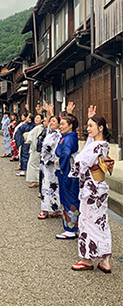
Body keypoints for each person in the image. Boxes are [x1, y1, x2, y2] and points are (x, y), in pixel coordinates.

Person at [70, 107, 114, 272]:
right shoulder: (101, 144)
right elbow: (88, 149)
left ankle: (87, 259)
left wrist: (75, 163)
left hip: (91, 190)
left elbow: (81, 162)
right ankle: (106, 260)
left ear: (100, 128)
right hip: (99, 188)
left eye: (91, 125)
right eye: (87, 125)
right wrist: (90, 117)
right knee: (101, 222)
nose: (87, 128)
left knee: (88, 222)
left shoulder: (97, 146)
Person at [55, 111, 80, 239]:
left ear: (70, 125)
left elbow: (65, 154)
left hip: (67, 171)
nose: (61, 126)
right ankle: (74, 226)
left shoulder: (68, 139)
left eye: (63, 124)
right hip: (71, 171)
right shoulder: (71, 136)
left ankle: (70, 228)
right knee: (72, 197)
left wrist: (60, 164)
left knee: (68, 197)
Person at [38, 115, 62, 219]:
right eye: (50, 121)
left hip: (51, 162)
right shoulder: (51, 133)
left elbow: (48, 148)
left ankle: (49, 210)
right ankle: (50, 209)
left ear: (58, 124)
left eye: (54, 121)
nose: (51, 123)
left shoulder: (58, 135)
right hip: (48, 164)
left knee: (52, 186)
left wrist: (47, 156)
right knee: (49, 186)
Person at [26, 114, 44, 187]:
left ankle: (35, 180)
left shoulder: (40, 128)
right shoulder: (36, 127)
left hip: (36, 148)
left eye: (38, 118)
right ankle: (35, 179)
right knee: (33, 163)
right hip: (34, 147)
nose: (36, 119)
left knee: (33, 163)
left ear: (42, 120)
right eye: (36, 117)